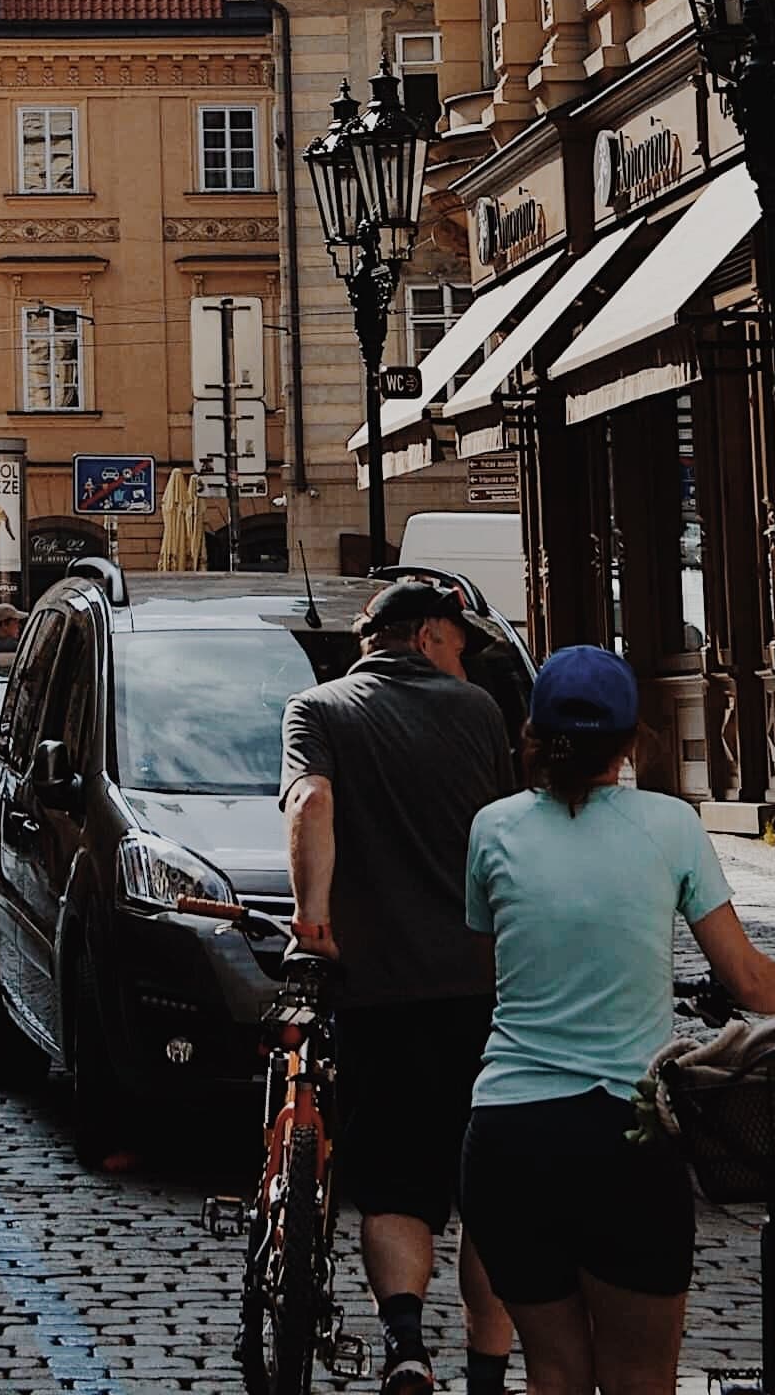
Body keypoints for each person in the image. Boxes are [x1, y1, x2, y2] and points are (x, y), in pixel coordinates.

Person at [460, 647, 775, 1395]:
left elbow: (487, 967)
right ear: (631, 741)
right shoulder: (670, 825)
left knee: (554, 1375)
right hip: (621, 1141)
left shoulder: (492, 828)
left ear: (533, 735)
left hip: (509, 1139)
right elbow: (749, 979)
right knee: (640, 1379)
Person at [282, 576, 519, 1395]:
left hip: (377, 990)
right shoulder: (482, 713)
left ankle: (406, 1343)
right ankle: (487, 1374)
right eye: (460, 645)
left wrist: (314, 925)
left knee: (393, 1183)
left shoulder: (319, 709)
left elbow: (310, 801)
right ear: (425, 637)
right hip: (479, 988)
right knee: (484, 1186)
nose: (465, 663)